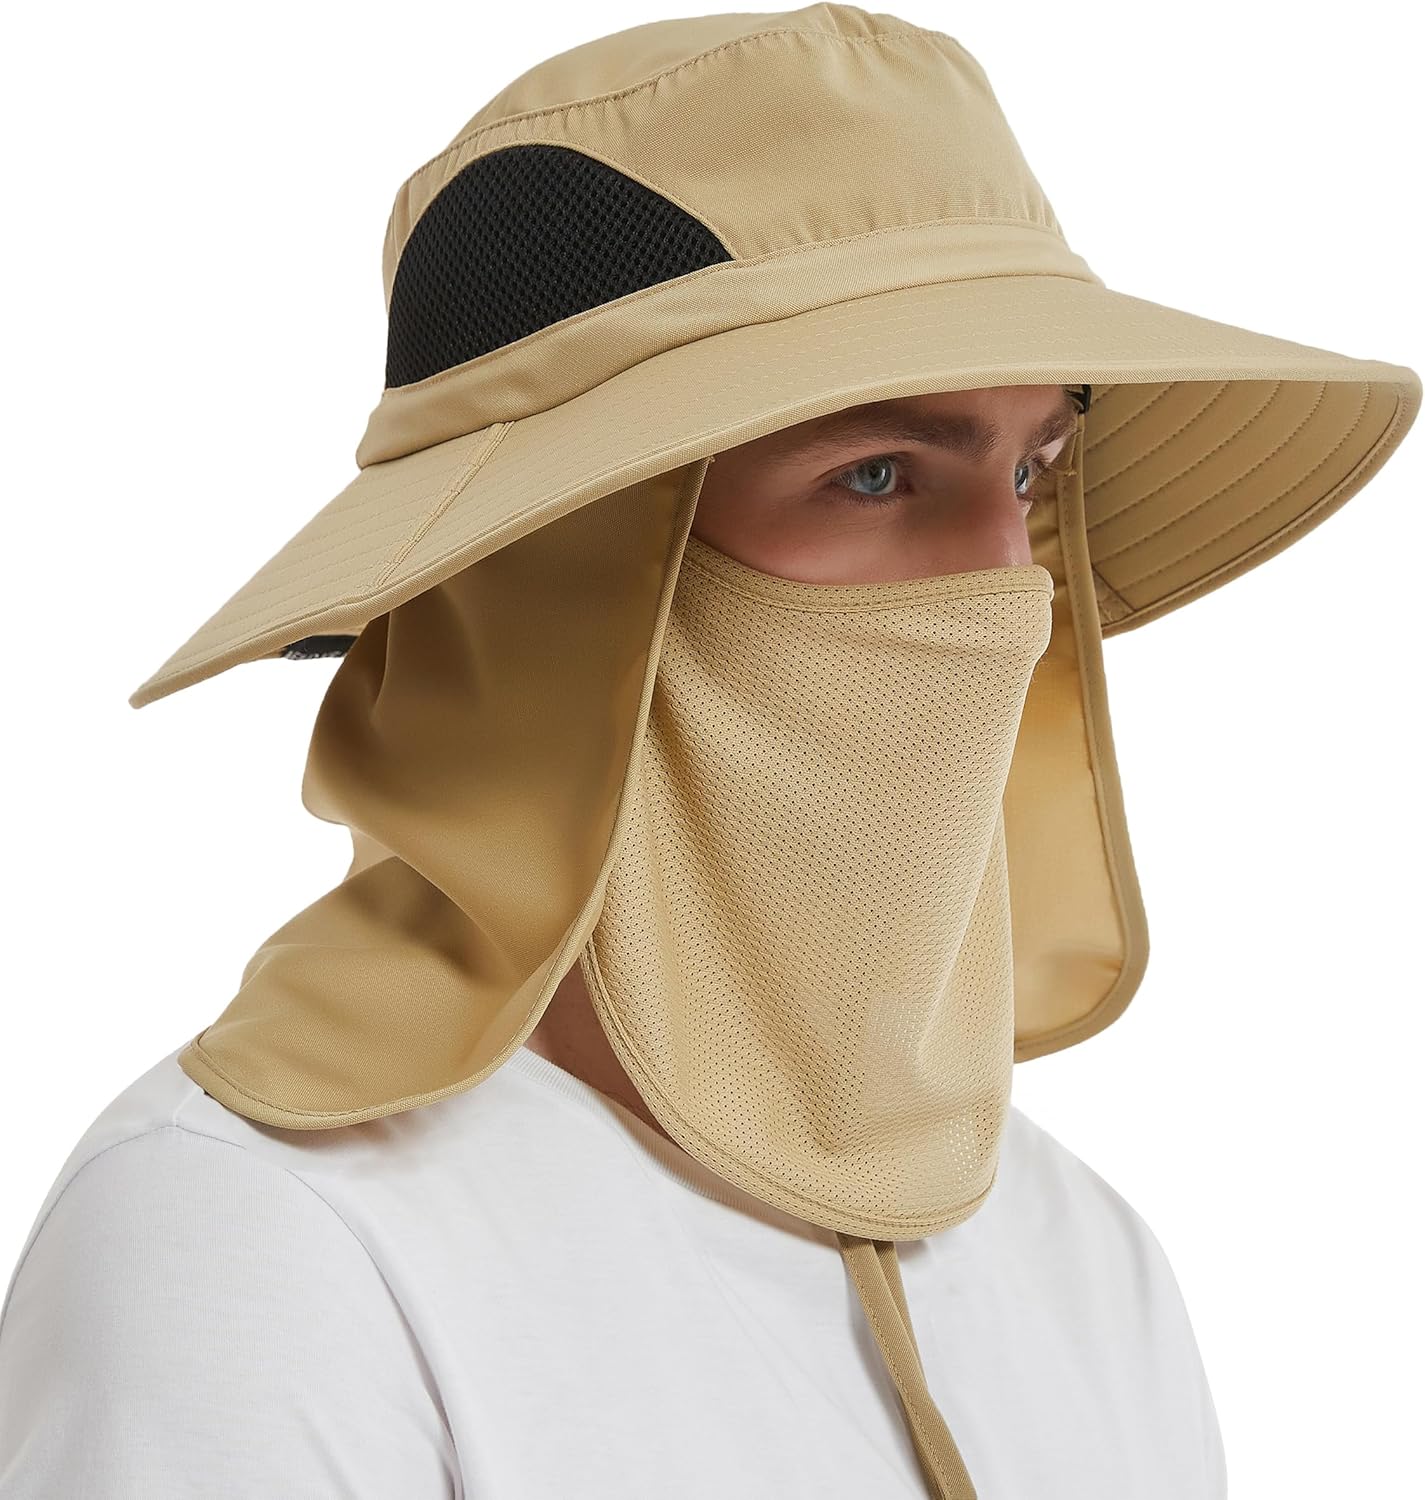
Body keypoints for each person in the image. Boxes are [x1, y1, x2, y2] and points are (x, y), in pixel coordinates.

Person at [0, 7, 1416, 1498]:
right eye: (877, 473)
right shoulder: (260, 1244)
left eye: (1028, 474)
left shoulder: (1084, 1262)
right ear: (554, 586)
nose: (1006, 588)